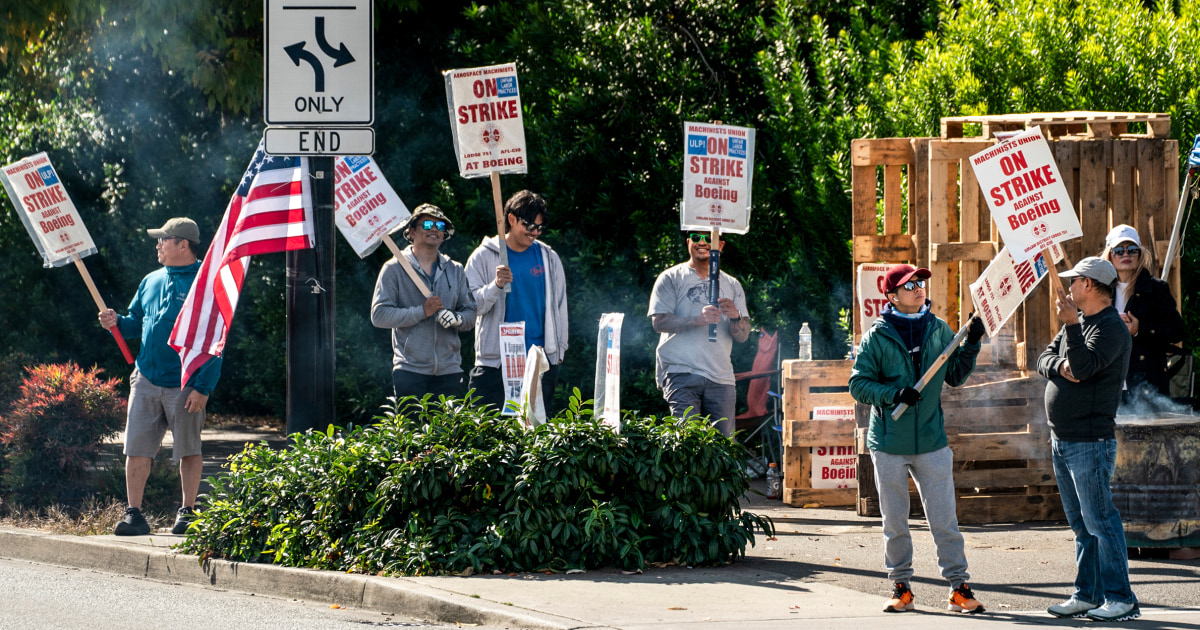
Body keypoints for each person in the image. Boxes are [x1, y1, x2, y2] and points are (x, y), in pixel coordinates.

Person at [848, 263, 986, 614]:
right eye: (909, 285)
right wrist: (895, 394)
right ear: (892, 296)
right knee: (895, 522)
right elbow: (858, 385)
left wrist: (971, 342)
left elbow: (954, 375)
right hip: (888, 443)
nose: (918, 287)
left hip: (931, 441)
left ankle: (959, 587)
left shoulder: (940, 330)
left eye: (920, 282)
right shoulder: (876, 336)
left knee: (945, 519)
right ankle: (901, 587)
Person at [98, 218, 221, 537]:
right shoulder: (150, 280)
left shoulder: (207, 284)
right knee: (136, 447)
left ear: (183, 244)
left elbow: (216, 339)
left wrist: (203, 387)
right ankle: (133, 514)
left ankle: (188, 512)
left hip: (186, 384)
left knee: (189, 449)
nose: (157, 244)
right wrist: (116, 321)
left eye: (163, 239)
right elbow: (135, 323)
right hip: (146, 378)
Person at [1037, 257, 1139, 622]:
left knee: (1100, 521)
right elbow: (1045, 359)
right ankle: (1088, 594)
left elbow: (1083, 368)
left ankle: (1121, 597)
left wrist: (1070, 336)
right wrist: (1060, 364)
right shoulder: (1078, 323)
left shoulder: (1110, 327)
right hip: (1063, 438)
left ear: (1091, 285)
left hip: (1090, 440)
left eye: (1074, 281)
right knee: (1082, 524)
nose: (1069, 288)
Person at [464, 190, 568, 414]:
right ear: (511, 219)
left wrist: (558, 352)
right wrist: (496, 286)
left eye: (540, 228)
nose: (535, 233)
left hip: (540, 360)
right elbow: (470, 307)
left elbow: (560, 307)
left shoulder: (549, 257)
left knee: (537, 437)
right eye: (530, 226)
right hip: (496, 363)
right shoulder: (483, 256)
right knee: (488, 437)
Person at [647, 231, 750, 437]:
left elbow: (743, 335)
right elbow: (659, 322)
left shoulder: (732, 284)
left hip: (721, 377)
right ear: (688, 243)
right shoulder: (670, 277)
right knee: (686, 442)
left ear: (720, 245)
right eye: (696, 237)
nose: (702, 242)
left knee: (723, 448)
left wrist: (736, 317)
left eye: (708, 238)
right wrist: (697, 320)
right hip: (682, 371)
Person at [370, 204, 477, 401]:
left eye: (440, 225)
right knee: (412, 432)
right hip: (410, 371)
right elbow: (379, 315)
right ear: (411, 231)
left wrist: (457, 319)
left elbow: (471, 313)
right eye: (427, 224)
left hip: (449, 371)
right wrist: (421, 311)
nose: (435, 229)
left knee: (447, 432)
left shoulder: (455, 270)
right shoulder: (393, 268)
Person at [1100, 224, 1184, 405]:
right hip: (1107, 383)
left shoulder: (1157, 289)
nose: (1126, 255)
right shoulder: (1099, 291)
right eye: (1119, 251)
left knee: (1150, 433)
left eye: (1132, 249)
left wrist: (1140, 329)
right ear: (1109, 255)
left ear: (1140, 254)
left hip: (1147, 383)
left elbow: (1177, 332)